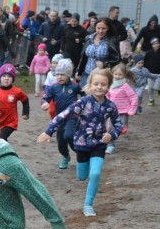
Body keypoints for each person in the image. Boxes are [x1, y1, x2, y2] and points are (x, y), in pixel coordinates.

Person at [37, 68, 123, 217]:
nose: (99, 87)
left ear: (109, 86)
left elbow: (118, 125)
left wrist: (112, 135)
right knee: (82, 176)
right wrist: (48, 131)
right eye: (96, 83)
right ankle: (84, 168)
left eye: (103, 84)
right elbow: (63, 115)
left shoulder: (110, 106)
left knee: (95, 174)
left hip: (99, 143)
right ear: (90, 85)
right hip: (82, 144)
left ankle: (88, 205)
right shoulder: (82, 103)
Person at [41, 59, 80, 169]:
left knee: (69, 135)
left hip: (72, 117)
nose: (59, 77)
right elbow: (46, 97)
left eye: (62, 74)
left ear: (68, 74)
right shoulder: (54, 87)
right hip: (59, 118)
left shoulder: (75, 86)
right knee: (61, 142)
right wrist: (44, 103)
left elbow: (85, 95)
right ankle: (65, 156)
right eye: (57, 74)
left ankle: (81, 154)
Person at [0, 63, 29, 141]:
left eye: (9, 76)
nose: (6, 78)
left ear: (13, 79)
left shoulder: (17, 91)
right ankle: (5, 151)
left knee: (1, 139)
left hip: (11, 122)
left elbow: (25, 100)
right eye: (4, 76)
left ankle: (4, 151)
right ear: (0, 78)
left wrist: (25, 113)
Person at [76, 18, 120, 86]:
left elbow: (117, 59)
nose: (100, 31)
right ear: (95, 28)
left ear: (108, 28)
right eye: (98, 28)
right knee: (86, 95)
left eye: (104, 28)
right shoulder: (89, 38)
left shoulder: (112, 40)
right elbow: (83, 56)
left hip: (102, 76)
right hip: (86, 74)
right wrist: (78, 71)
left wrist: (105, 64)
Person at [105, 63, 137, 153]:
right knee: (109, 128)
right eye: (116, 74)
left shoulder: (125, 86)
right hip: (112, 111)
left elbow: (134, 97)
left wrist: (132, 110)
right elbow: (108, 96)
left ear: (124, 75)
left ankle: (123, 127)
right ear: (112, 74)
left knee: (121, 129)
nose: (118, 76)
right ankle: (111, 145)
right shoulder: (111, 85)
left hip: (124, 111)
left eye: (120, 74)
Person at [142, 38, 160, 104]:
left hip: (159, 73)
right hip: (150, 73)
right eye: (154, 44)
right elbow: (145, 62)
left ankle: (159, 89)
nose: (156, 45)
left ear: (159, 44)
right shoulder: (148, 53)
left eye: (157, 43)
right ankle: (151, 100)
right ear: (152, 45)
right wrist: (144, 70)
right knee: (150, 88)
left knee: (155, 87)